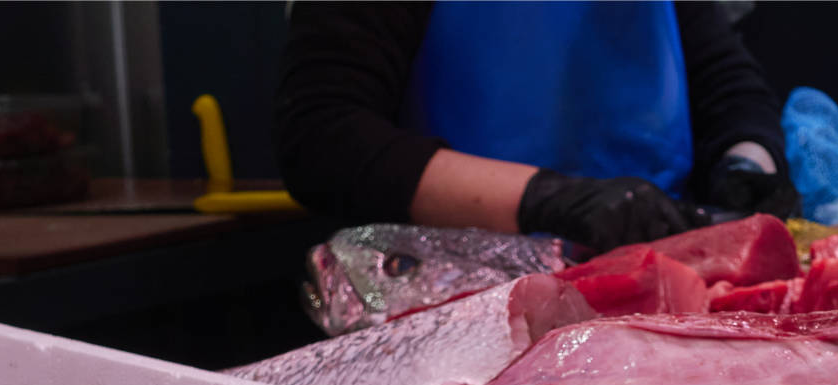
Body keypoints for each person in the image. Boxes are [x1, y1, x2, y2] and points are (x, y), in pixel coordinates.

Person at [274, 1, 798, 252]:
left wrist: (748, 160)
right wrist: (548, 200)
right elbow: (325, 139)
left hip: (657, 281)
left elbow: (728, 86)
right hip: (455, 304)